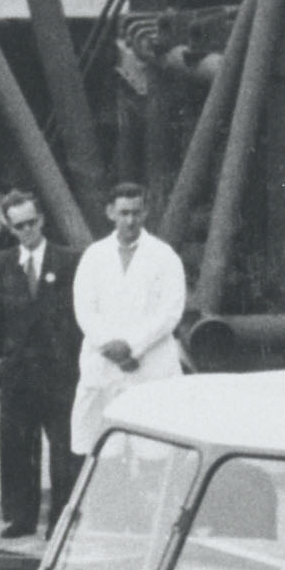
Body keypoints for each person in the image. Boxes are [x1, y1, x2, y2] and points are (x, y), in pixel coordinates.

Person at [0, 191, 81, 540]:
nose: (26, 230)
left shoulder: (69, 260)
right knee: (18, 447)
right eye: (19, 226)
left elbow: (77, 316)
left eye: (31, 223)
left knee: (63, 451)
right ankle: (21, 517)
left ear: (41, 220)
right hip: (18, 372)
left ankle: (61, 519)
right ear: (10, 228)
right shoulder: (1, 263)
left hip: (59, 371)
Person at [70, 183, 188, 457]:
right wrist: (110, 346)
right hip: (104, 364)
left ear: (145, 212)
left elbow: (170, 312)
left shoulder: (164, 256)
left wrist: (132, 348)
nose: (130, 221)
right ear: (110, 213)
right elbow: (84, 309)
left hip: (150, 365)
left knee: (154, 451)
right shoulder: (94, 255)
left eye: (136, 213)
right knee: (105, 453)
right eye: (124, 213)